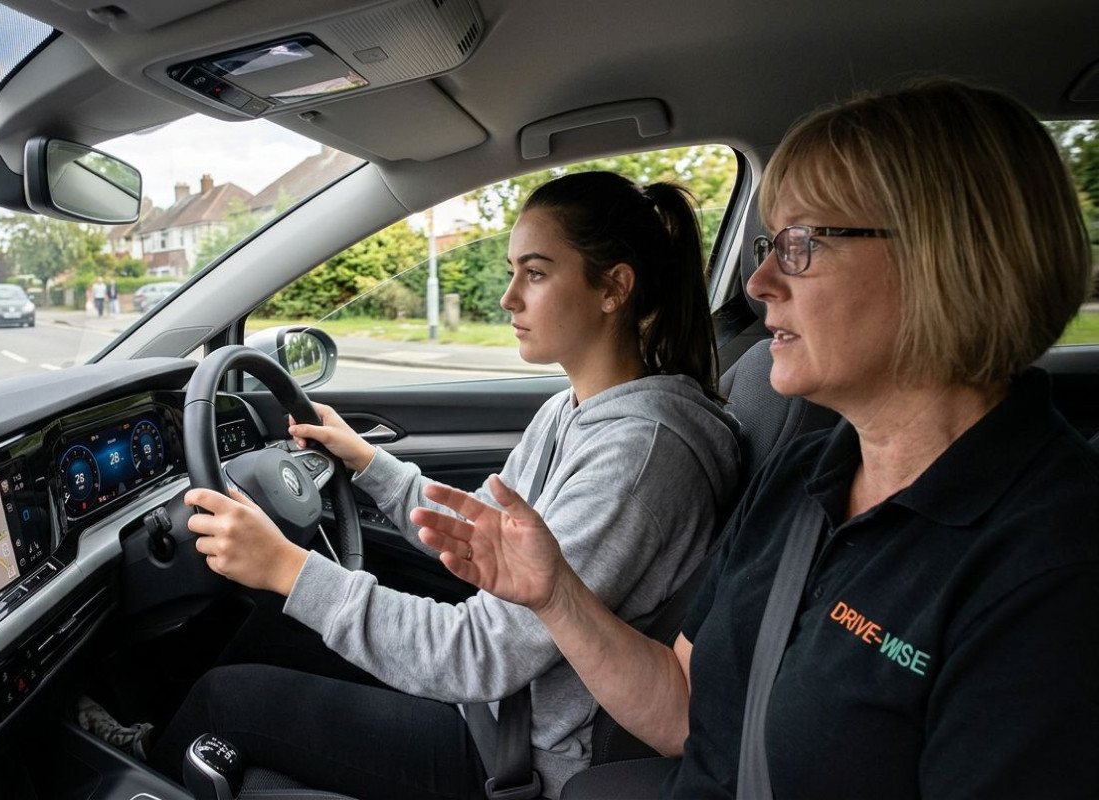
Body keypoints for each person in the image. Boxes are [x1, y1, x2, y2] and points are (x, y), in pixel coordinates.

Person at [415, 80, 1099, 798]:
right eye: (772, 243)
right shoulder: (807, 473)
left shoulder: (1054, 569)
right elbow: (687, 706)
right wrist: (557, 596)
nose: (762, 279)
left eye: (802, 244)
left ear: (948, 259)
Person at [111, 171, 745, 800]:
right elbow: (481, 540)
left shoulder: (639, 456)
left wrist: (286, 567)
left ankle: (128, 769)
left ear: (614, 288)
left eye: (537, 272)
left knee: (227, 700)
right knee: (269, 634)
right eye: (510, 271)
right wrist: (368, 465)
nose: (508, 298)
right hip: (497, 705)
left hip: (515, 751)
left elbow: (480, 653)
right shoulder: (572, 409)